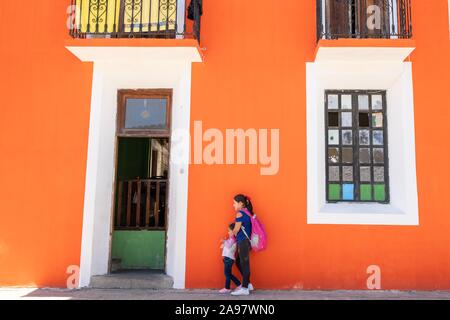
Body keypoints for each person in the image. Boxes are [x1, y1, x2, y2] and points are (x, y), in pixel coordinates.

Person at [230, 194, 255, 296]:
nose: (233, 205)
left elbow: (236, 230)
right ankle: (248, 284)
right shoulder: (247, 212)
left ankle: (245, 288)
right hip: (246, 241)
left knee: (244, 264)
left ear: (240, 203)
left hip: (243, 241)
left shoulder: (239, 214)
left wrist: (230, 234)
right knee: (239, 262)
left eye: (234, 203)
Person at [219, 223, 241, 293]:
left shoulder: (233, 238)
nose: (228, 232)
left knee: (227, 274)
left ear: (234, 231)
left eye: (229, 230)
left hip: (228, 258)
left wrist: (224, 241)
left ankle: (227, 288)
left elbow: (228, 246)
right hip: (228, 258)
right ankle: (239, 284)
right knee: (229, 274)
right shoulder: (232, 238)